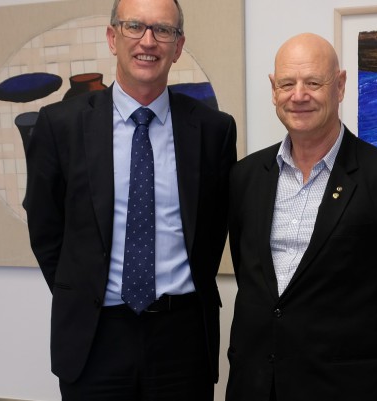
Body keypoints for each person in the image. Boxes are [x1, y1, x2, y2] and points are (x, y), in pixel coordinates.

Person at [22, 0, 236, 399]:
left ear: (178, 45)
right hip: (94, 337)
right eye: (135, 26)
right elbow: (45, 227)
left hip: (183, 338)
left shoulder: (213, 129)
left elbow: (213, 228)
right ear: (112, 37)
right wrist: (82, 292)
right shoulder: (59, 125)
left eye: (163, 31)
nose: (148, 41)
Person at [225, 33, 377, 401]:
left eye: (314, 82)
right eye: (287, 84)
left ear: (340, 85)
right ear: (273, 89)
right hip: (253, 385)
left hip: (343, 388)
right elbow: (254, 281)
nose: (299, 95)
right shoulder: (245, 176)